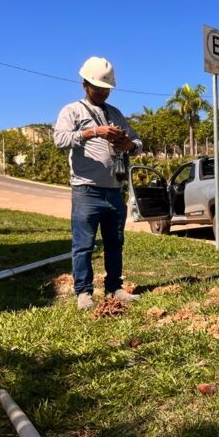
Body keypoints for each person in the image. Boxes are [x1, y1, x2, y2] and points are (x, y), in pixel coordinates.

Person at [54, 56, 143, 310]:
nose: (103, 92)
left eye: (107, 89)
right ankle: (83, 292)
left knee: (115, 242)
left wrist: (127, 144)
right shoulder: (72, 111)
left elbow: (138, 144)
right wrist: (94, 132)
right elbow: (60, 139)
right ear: (85, 85)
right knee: (83, 244)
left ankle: (115, 287)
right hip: (86, 189)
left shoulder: (115, 114)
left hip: (115, 189)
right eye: (98, 88)